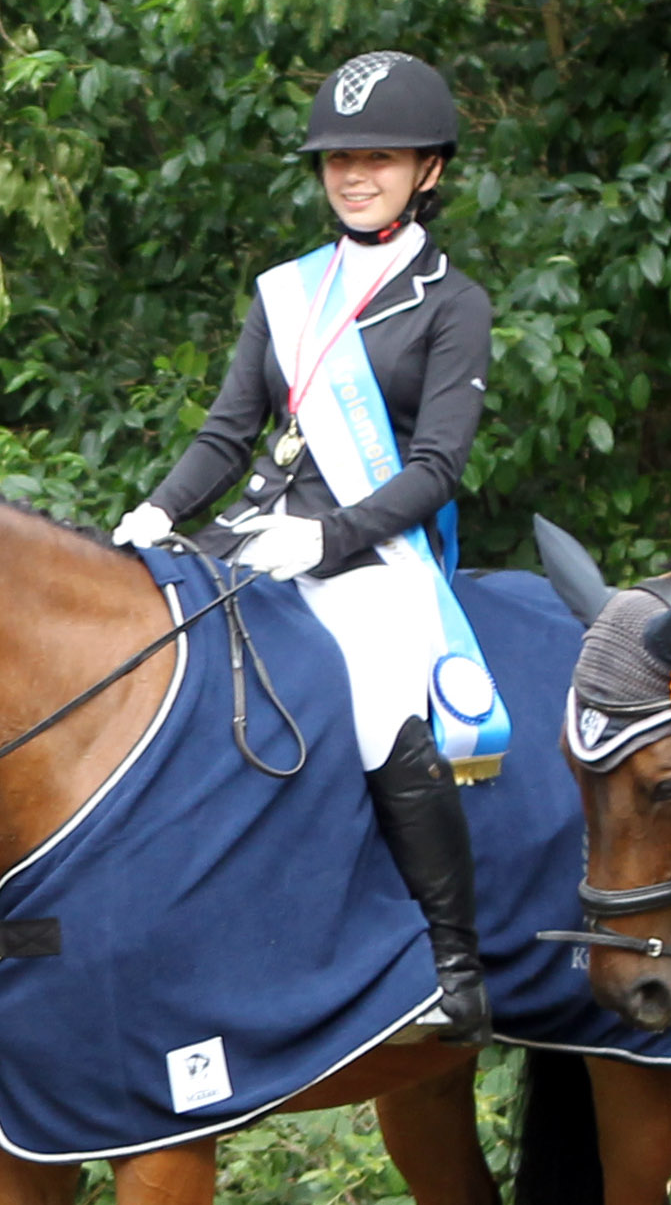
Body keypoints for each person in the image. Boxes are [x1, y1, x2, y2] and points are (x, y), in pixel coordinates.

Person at [113, 52, 502, 1043]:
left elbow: (435, 468)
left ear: (429, 171)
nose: (353, 173)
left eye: (379, 156)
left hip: (377, 557)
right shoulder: (289, 292)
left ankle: (454, 962)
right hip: (251, 534)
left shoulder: (453, 304)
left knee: (373, 703)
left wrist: (329, 536)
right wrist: (157, 515)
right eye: (338, 158)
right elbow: (225, 433)